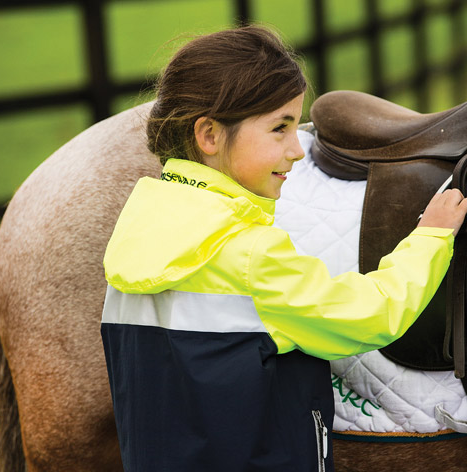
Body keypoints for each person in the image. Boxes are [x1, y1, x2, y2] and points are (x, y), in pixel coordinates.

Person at [100, 25, 467, 472]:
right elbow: (372, 316)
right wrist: (431, 237)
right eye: (280, 128)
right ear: (210, 136)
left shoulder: (134, 235)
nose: (297, 150)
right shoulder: (253, 255)